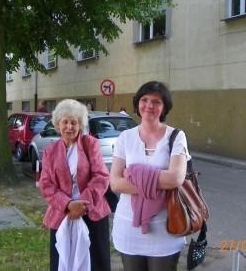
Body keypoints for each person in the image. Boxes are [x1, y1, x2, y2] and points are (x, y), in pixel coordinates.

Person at [110, 81, 190, 271]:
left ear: (164, 107)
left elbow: (176, 179)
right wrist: (159, 182)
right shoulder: (125, 138)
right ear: (138, 103)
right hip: (129, 226)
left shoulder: (177, 137)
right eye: (144, 100)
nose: (149, 106)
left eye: (156, 101)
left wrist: (133, 177)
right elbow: (115, 183)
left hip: (166, 228)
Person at [39, 99, 111, 271]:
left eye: (74, 122)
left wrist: (81, 204)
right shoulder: (50, 151)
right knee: (63, 262)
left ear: (80, 124)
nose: (69, 127)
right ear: (58, 124)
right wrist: (68, 204)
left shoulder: (90, 144)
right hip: (63, 214)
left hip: (92, 213)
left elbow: (101, 176)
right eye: (65, 122)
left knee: (95, 262)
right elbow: (46, 184)